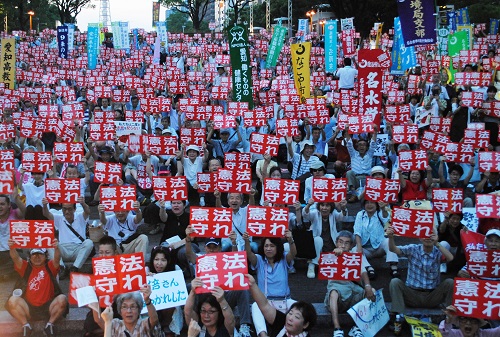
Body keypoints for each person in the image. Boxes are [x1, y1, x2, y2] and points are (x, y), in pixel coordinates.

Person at [184, 232, 253, 337]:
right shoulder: (200, 258)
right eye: (209, 247)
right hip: (205, 297)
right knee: (190, 287)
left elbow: (235, 258)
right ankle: (196, 318)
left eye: (215, 247)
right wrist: (188, 240)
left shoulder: (225, 258)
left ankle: (244, 326)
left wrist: (234, 243)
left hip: (224, 297)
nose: (211, 250)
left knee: (242, 287)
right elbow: (189, 254)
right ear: (205, 247)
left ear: (220, 248)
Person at [386, 226, 454, 319]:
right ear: (420, 238)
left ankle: (450, 315)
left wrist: (437, 243)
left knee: (450, 282)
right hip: (412, 295)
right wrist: (391, 237)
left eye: (431, 235)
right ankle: (398, 316)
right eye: (425, 234)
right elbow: (393, 249)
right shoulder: (413, 248)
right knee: (395, 282)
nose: (428, 237)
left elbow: (450, 258)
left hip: (432, 295)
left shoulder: (438, 251)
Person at [6, 240, 68, 337]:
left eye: (40, 254)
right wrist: (12, 248)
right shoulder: (26, 267)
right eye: (34, 255)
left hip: (48, 307)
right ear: (30, 257)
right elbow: (15, 258)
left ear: (45, 256)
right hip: (29, 308)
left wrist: (56, 248)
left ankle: (50, 324)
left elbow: (57, 258)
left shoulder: (50, 267)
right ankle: (26, 325)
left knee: (62, 299)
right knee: (12, 300)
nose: (37, 257)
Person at [244, 232, 297, 337]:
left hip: (285, 300)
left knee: (300, 309)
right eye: (266, 246)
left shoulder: (284, 258)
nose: (268, 248)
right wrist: (246, 241)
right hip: (266, 302)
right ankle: (263, 335)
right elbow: (249, 254)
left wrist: (290, 240)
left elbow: (293, 253)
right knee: (255, 306)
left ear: (278, 247)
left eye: (272, 246)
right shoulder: (259, 260)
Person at [325, 231, 375, 337]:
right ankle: (337, 328)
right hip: (337, 298)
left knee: (372, 292)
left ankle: (357, 327)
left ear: (351, 245)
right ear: (336, 243)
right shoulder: (331, 256)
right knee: (333, 292)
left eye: (346, 243)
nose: (343, 245)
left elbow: (363, 272)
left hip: (353, 294)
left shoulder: (354, 257)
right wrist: (337, 253)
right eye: (340, 242)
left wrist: (368, 286)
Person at [247, 273, 317, 337]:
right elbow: (264, 305)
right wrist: (253, 285)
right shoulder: (281, 321)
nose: (290, 318)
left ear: (305, 324)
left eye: (297, 317)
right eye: (290, 313)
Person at [41, 196, 94, 278]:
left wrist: (83, 203)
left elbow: (87, 211)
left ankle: (75, 268)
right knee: (49, 241)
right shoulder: (59, 218)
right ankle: (61, 267)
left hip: (78, 249)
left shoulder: (80, 217)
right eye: (64, 209)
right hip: (63, 250)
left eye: (69, 209)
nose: (67, 212)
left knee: (89, 242)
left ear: (74, 209)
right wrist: (45, 205)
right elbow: (46, 214)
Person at [302, 198, 348, 278]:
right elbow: (306, 214)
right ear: (319, 206)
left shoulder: (333, 214)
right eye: (322, 205)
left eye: (327, 206)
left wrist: (343, 208)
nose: (324, 208)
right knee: (318, 240)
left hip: (330, 244)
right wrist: (308, 205)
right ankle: (312, 265)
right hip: (316, 245)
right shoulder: (315, 213)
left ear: (331, 207)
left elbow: (342, 217)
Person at [92, 285, 163, 337]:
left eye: (133, 307)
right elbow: (98, 320)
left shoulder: (144, 324)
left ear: (139, 309)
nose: (129, 311)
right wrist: (94, 298)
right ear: (120, 310)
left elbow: (154, 320)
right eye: (124, 307)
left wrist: (147, 300)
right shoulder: (115, 324)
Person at [353, 200, 399, 279]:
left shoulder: (380, 213)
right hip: (366, 249)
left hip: (379, 248)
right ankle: (369, 269)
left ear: (376, 204)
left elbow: (385, 217)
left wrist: (383, 208)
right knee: (354, 249)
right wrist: (359, 246)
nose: (369, 205)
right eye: (367, 203)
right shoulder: (361, 214)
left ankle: (394, 268)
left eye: (372, 203)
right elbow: (357, 231)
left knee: (388, 241)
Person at [147, 246, 183, 337]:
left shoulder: (175, 269)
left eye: (163, 260)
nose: (159, 263)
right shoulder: (147, 270)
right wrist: (148, 279)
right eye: (156, 259)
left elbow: (180, 292)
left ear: (168, 261)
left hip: (169, 308)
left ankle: (168, 327)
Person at [345, 125, 378, 202]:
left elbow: (373, 144)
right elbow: (349, 144)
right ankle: (354, 194)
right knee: (349, 173)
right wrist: (347, 131)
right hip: (356, 179)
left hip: (367, 179)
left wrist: (375, 132)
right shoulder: (353, 154)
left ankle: (365, 195)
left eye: (364, 145)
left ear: (367, 147)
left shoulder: (369, 154)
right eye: (360, 145)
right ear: (357, 147)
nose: (362, 147)